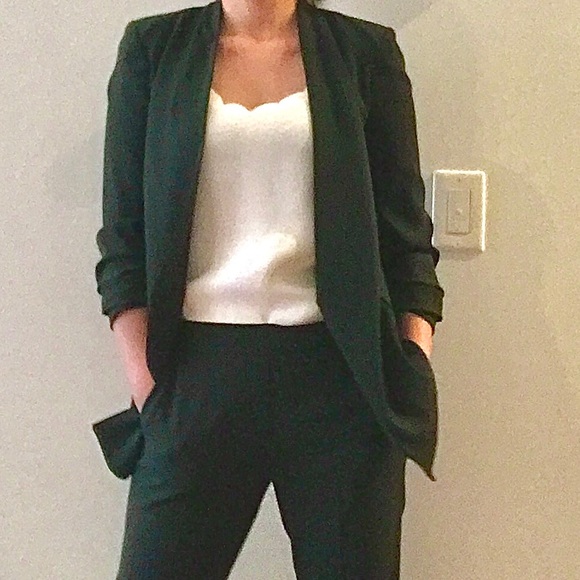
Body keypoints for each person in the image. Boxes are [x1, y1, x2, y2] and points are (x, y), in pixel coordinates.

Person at [91, 0, 445, 577]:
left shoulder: (365, 54)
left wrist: (410, 359)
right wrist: (148, 386)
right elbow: (123, 238)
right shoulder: (153, 51)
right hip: (194, 377)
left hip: (339, 379)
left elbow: (405, 237)